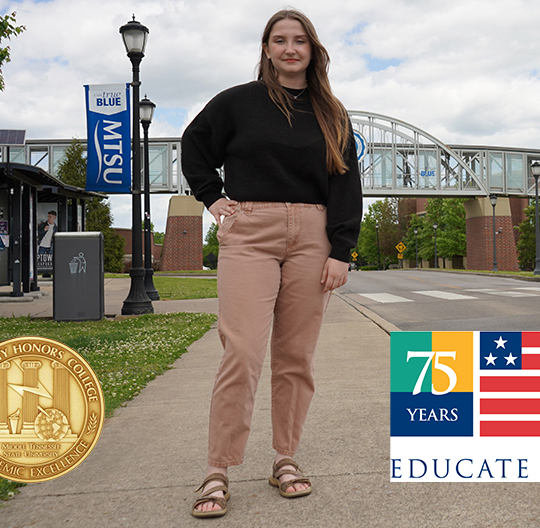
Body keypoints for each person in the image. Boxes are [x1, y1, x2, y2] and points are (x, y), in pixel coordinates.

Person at [181, 8, 361, 519]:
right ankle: (218, 468)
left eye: (299, 41)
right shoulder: (238, 103)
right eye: (279, 40)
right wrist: (213, 198)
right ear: (266, 49)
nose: (289, 49)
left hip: (313, 234)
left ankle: (286, 458)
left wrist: (341, 251)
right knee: (241, 351)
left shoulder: (333, 113)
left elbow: (347, 182)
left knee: (296, 357)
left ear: (312, 50)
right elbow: (194, 146)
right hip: (249, 232)